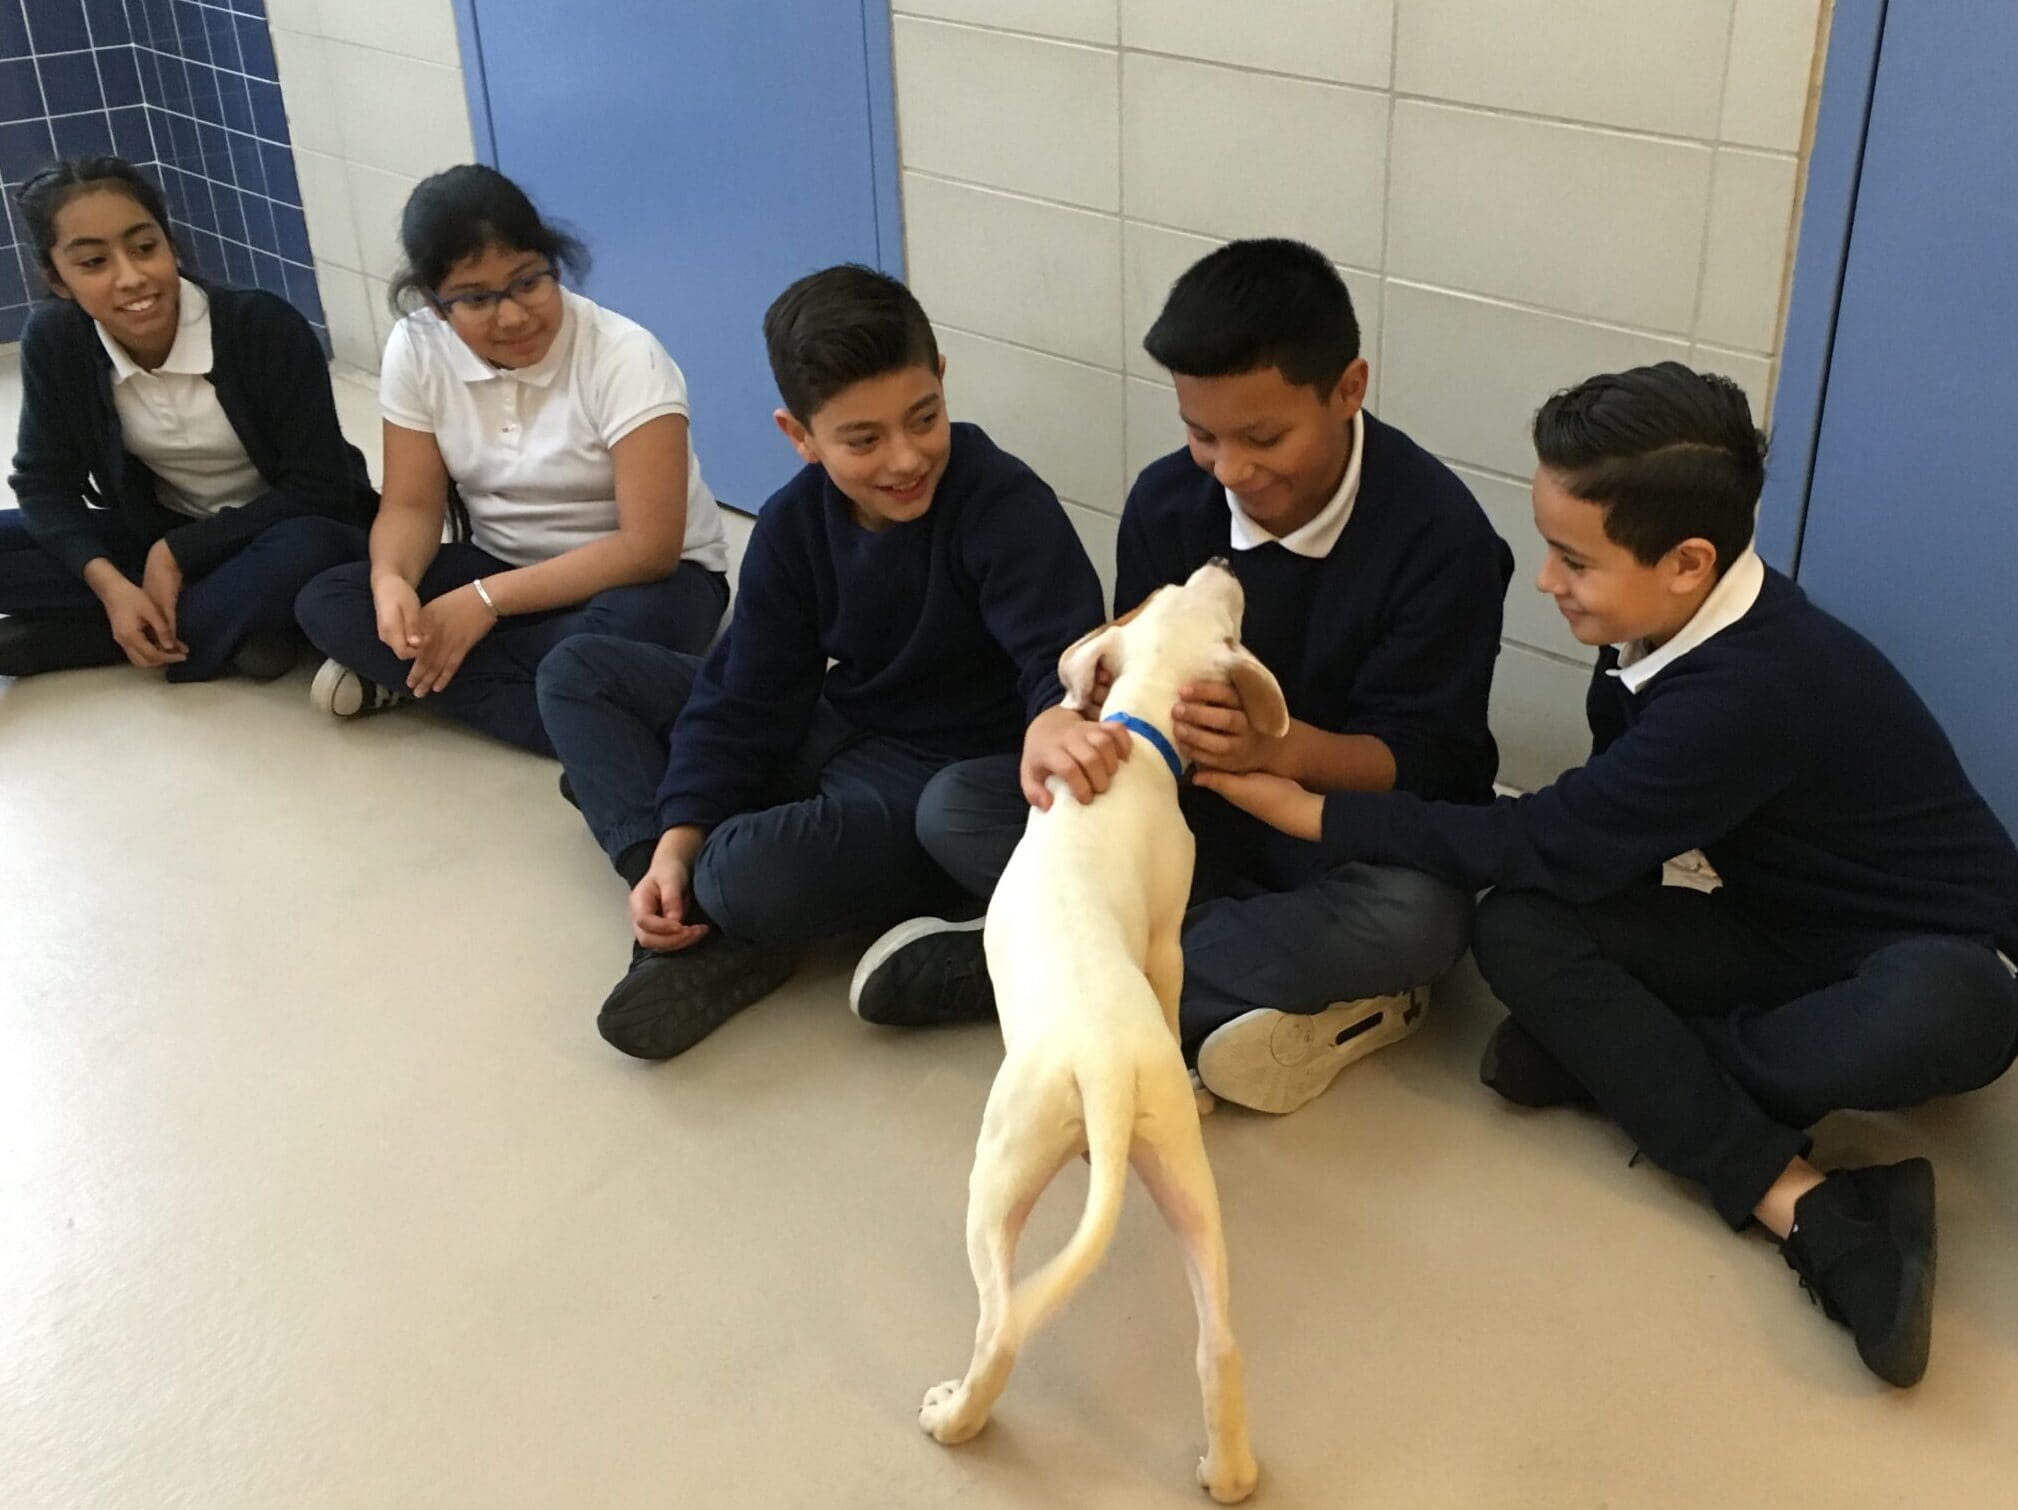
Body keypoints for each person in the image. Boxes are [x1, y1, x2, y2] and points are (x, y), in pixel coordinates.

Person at [1195, 362, 2018, 1388]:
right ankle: (1783, 1178)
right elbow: (1578, 845)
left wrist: (1317, 811)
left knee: (1942, 1008)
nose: (1547, 580)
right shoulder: (1649, 628)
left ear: (1685, 562)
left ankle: (1735, 1152)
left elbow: (1551, 837)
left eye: (1570, 559)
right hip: (1768, 932)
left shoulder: (1753, 684)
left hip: (1918, 953)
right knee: (1521, 930)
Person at [851, 238, 1513, 1116]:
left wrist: (1277, 747)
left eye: (1265, 436)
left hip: (1338, 828)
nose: (1233, 469)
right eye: (1203, 435)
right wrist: (1061, 721)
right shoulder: (1171, 500)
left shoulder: (1443, 544)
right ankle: (1197, 984)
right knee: (956, 808)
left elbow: (1426, 762)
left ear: (1349, 389)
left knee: (1418, 919)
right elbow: (1127, 673)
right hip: (1184, 816)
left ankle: (1041, 966)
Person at [534, 264, 1105, 1059]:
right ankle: (672, 901)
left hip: (935, 774)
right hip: (833, 724)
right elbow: (744, 697)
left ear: (941, 383)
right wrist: (675, 840)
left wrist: (1054, 709)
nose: (905, 459)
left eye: (923, 418)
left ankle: (709, 898)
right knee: (578, 674)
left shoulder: (1002, 503)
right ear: (799, 436)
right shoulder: (795, 524)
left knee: (739, 869)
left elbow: (1066, 659)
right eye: (862, 440)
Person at [293, 165, 728, 754]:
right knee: (329, 600)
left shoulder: (627, 357)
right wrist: (391, 580)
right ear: (436, 304)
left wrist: (484, 603)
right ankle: (596, 709)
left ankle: (443, 677)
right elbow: (412, 505)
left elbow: (649, 548)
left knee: (601, 645)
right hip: (501, 563)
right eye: (476, 298)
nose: (514, 315)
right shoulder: (418, 347)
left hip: (648, 584)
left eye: (529, 282)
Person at [3, 157, 372, 682]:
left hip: (281, 532)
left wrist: (176, 553)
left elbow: (322, 488)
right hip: (159, 531)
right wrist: (112, 587)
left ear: (171, 244)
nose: (131, 278)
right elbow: (43, 485)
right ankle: (238, 625)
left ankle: (75, 641)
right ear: (57, 279)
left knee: (312, 549)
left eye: (144, 247)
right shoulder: (56, 340)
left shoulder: (261, 326)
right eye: (92, 263)